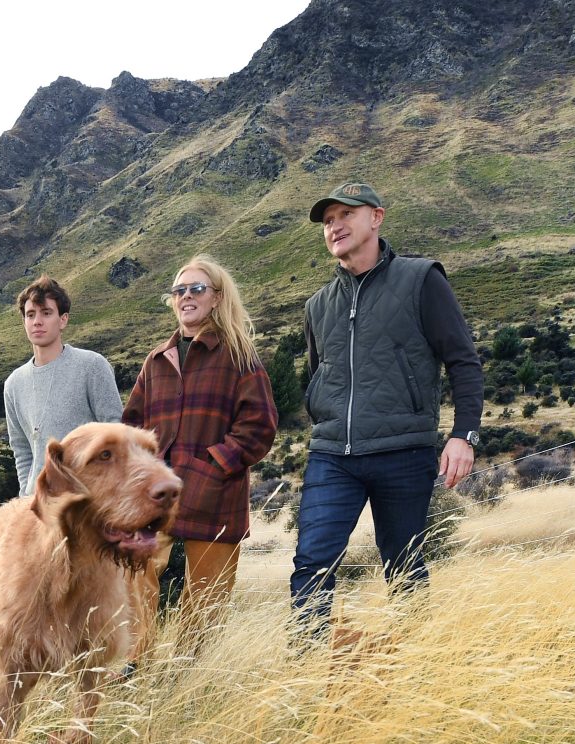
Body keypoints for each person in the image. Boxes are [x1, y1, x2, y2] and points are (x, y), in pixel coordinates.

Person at [290, 182, 483, 630]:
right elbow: (320, 374)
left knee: (404, 566)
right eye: (327, 221)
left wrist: (463, 435)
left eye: (345, 215)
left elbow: (463, 361)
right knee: (311, 565)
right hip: (332, 454)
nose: (334, 226)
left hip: (404, 450)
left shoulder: (421, 279)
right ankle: (306, 670)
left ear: (376, 218)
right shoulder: (317, 306)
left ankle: (412, 665)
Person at [123, 253, 278, 621]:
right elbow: (131, 426)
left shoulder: (239, 355)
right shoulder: (156, 361)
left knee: (207, 601)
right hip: (155, 498)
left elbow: (259, 427)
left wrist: (210, 466)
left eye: (196, 288)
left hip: (215, 496)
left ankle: (193, 675)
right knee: (133, 577)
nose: (186, 296)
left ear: (217, 298)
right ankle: (134, 666)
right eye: (179, 290)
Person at [3, 276, 124, 495]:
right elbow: (21, 450)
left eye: (46, 313)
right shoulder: (13, 384)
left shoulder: (92, 365)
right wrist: (26, 495)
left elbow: (116, 433)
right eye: (30, 315)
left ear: (63, 320)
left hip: (88, 499)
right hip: (39, 506)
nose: (37, 321)